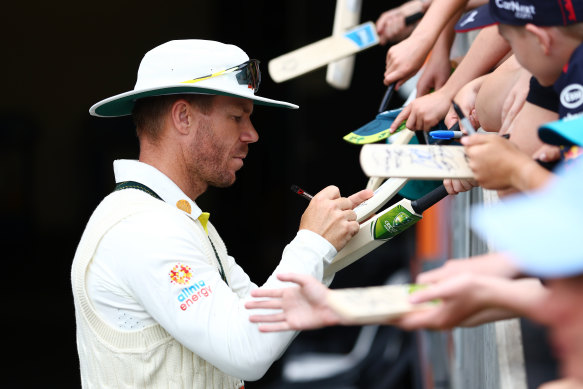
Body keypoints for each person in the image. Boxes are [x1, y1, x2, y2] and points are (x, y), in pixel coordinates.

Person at [70, 39, 372, 388]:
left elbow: (261, 323)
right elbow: (248, 350)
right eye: (236, 117)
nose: (253, 134)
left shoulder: (173, 216)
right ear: (183, 117)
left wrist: (333, 243)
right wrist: (312, 244)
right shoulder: (143, 228)